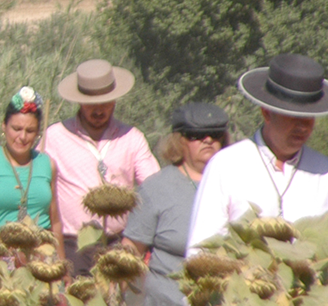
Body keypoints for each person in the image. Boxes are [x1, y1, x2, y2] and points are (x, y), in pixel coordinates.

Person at [188, 54, 328, 253]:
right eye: (294, 117)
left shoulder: (323, 171)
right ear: (267, 113)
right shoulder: (227, 165)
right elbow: (201, 246)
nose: (303, 126)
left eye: (309, 117)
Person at [41, 59, 158, 275]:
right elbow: (37, 186)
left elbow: (154, 188)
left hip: (119, 243)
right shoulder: (55, 137)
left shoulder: (132, 138)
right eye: (91, 104)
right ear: (79, 102)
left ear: (115, 100)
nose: (98, 110)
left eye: (105, 103)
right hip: (72, 246)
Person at [125, 103, 230, 306]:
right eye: (196, 135)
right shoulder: (156, 188)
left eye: (215, 134)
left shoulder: (239, 183)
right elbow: (131, 251)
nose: (208, 140)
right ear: (178, 140)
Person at [0, 87, 58, 236]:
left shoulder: (47, 164)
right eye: (16, 129)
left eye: (30, 131)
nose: (22, 137)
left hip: (41, 248)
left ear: (38, 133)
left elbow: (55, 221)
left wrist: (59, 251)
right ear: (4, 126)